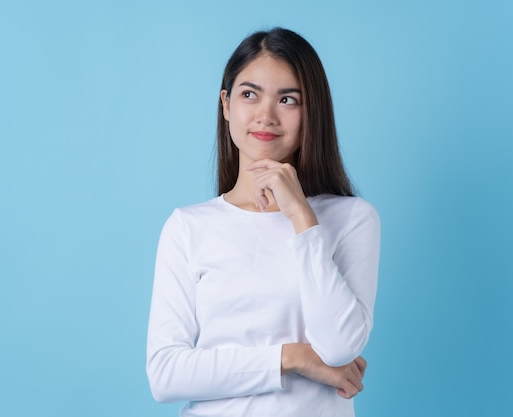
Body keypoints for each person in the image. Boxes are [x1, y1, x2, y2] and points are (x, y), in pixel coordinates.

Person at [146, 27, 380, 417]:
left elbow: (340, 347)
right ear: (226, 104)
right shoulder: (188, 227)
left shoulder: (352, 219)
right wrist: (292, 358)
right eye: (249, 94)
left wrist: (303, 218)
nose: (266, 115)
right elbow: (166, 374)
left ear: (312, 112)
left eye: (287, 99)